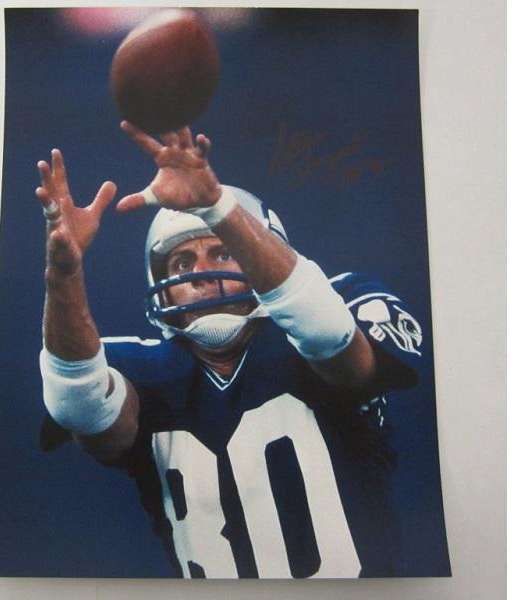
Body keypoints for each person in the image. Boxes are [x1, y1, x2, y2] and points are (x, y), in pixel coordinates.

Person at [36, 122, 423, 579]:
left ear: (265, 252)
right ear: (162, 288)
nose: (201, 273)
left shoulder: (336, 306)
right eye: (183, 262)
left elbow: (336, 347)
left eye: (222, 253)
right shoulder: (138, 369)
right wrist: (64, 275)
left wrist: (217, 206)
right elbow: (83, 408)